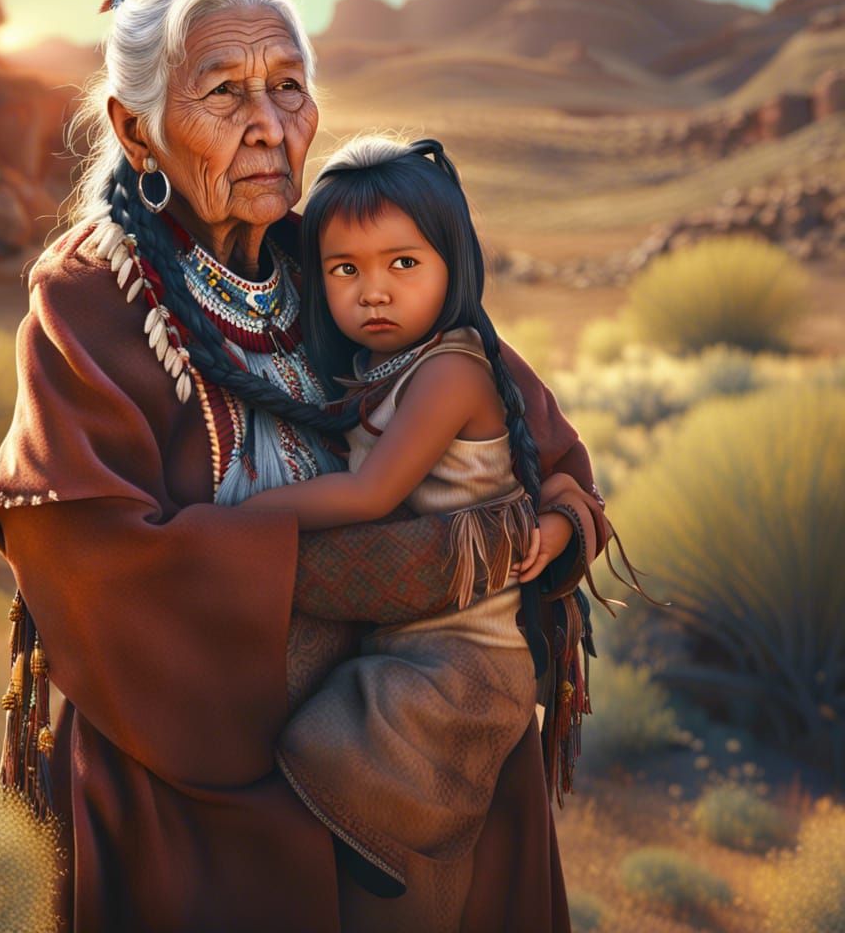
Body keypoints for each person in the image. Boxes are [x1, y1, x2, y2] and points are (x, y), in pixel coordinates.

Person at [0, 0, 616, 932]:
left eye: (287, 85)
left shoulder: (333, 257)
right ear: (134, 128)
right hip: (200, 770)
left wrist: (554, 525)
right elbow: (87, 555)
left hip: (423, 739)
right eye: (224, 92)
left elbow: (531, 431)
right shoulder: (90, 299)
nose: (270, 124)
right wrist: (387, 570)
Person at [238, 136, 642, 928]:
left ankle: (382, 855)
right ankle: (373, 854)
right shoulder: (378, 367)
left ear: (453, 266)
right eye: (345, 270)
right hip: (412, 639)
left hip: (464, 659)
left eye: (403, 265)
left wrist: (236, 521)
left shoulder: (452, 370)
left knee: (320, 746)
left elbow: (370, 491)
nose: (373, 292)